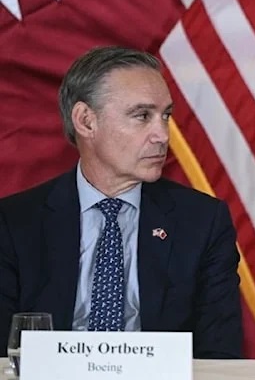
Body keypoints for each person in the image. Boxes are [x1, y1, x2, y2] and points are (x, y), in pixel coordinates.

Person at [0, 47, 242, 359]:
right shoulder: (14, 223)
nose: (162, 135)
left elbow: (220, 354)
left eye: (165, 116)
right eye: (142, 116)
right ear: (86, 121)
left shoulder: (203, 222)